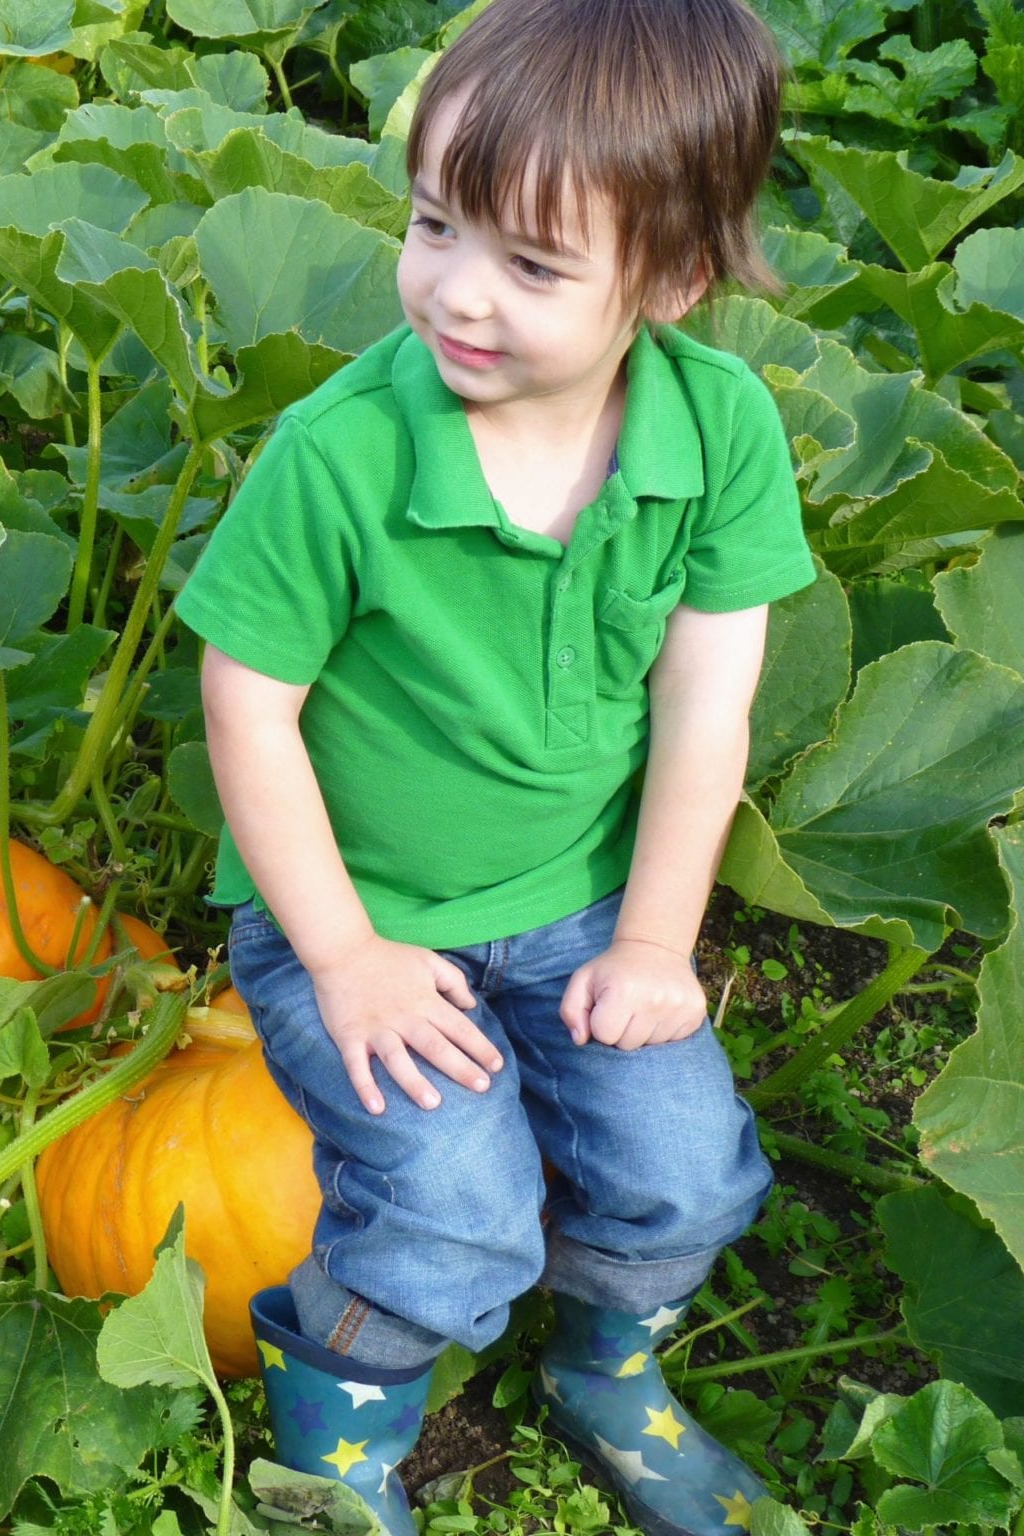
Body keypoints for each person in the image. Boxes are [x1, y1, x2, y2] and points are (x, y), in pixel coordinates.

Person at [171, 1, 813, 1532]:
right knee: (453, 1213)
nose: (456, 291)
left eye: (530, 264)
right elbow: (244, 706)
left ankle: (605, 1370)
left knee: (690, 1172)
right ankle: (326, 1455)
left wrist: (658, 941)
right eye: (432, 224)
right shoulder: (341, 456)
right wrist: (343, 957)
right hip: (362, 912)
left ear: (670, 276)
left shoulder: (721, 432)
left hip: (587, 903)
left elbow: (707, 708)